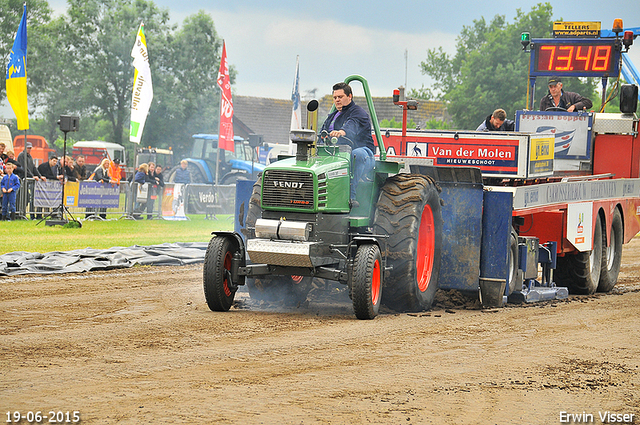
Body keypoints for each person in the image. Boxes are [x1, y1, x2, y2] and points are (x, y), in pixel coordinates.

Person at [320, 82, 375, 208]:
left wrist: (341, 132)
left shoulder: (359, 113)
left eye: (340, 97)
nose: (337, 100)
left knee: (357, 155)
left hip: (364, 154)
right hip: (337, 154)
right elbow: (322, 134)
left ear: (350, 96)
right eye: (335, 98)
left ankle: (350, 196)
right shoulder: (332, 116)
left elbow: (352, 125)